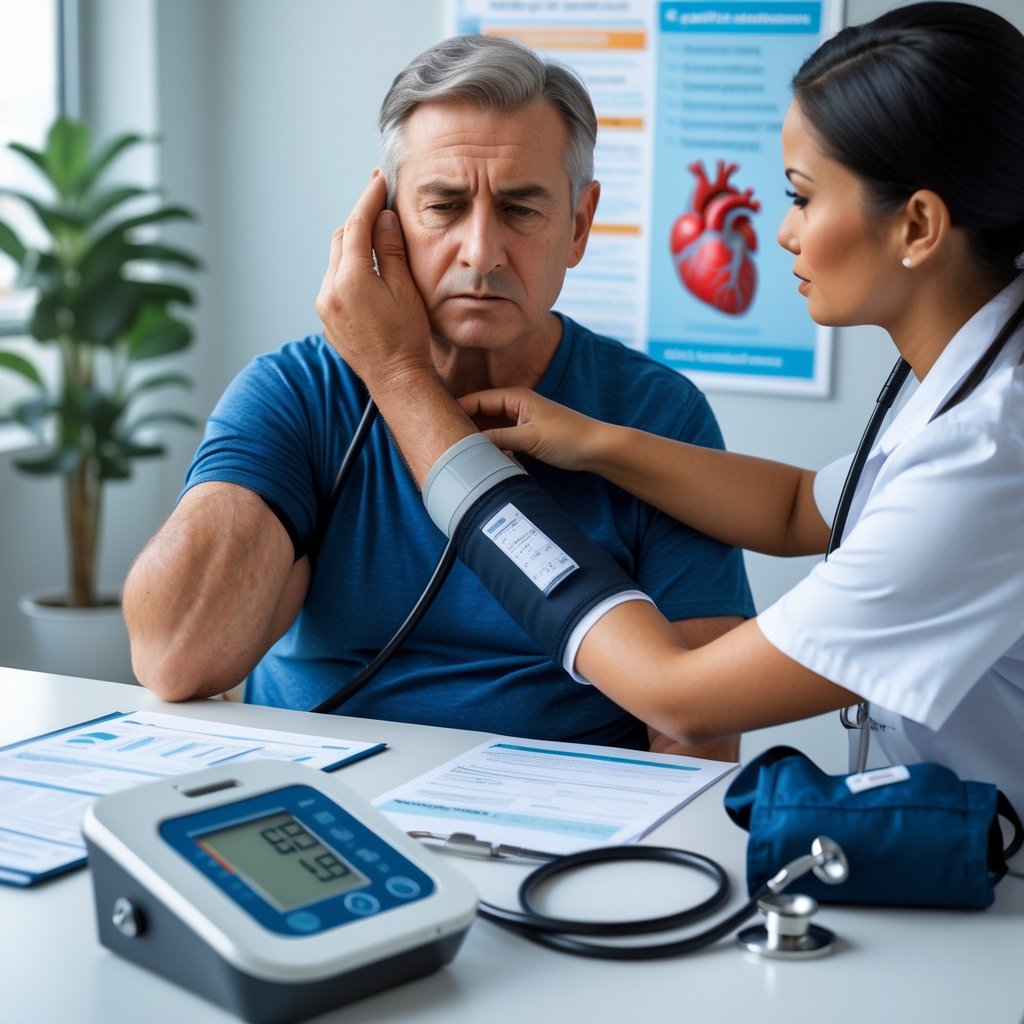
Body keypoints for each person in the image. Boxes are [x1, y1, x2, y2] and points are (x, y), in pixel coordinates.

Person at [315, 1, 1024, 868]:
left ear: (917, 226)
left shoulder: (991, 453)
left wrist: (408, 397)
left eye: (802, 196)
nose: (784, 230)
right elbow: (803, 506)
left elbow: (678, 695)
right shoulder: (967, 392)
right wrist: (595, 441)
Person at [123, 34, 754, 758]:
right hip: (322, 808)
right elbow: (175, 656)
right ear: (382, 221)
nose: (481, 252)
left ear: (578, 225)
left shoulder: (656, 413)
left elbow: (696, 732)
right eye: (445, 206)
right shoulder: (296, 391)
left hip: (561, 825)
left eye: (521, 210)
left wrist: (400, 375)